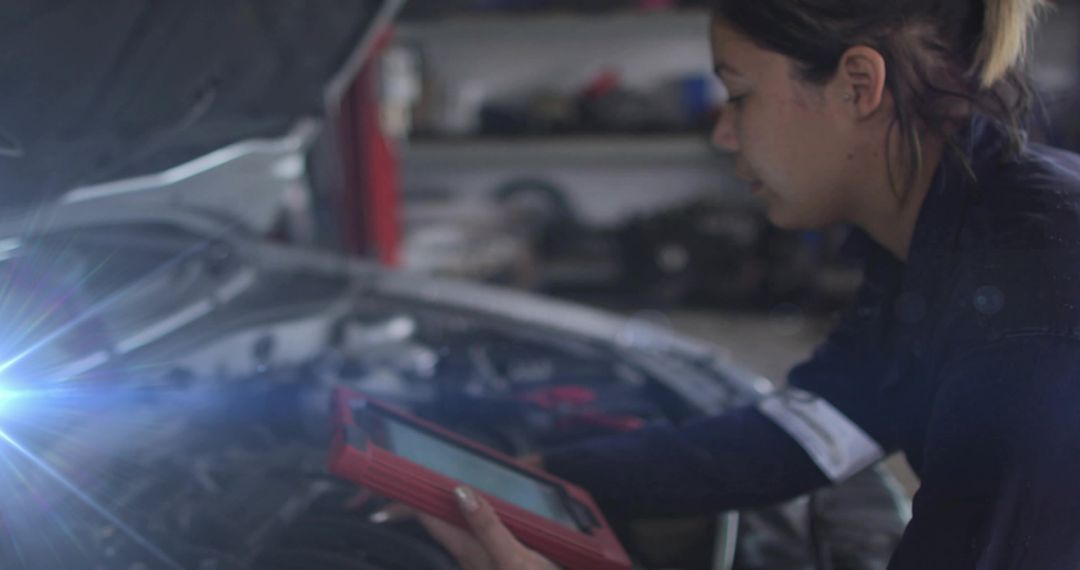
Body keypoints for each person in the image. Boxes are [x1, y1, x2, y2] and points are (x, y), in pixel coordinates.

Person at [414, 0, 1080, 567]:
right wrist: (545, 479)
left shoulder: (1038, 298)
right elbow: (815, 431)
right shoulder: (954, 233)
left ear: (857, 85)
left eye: (739, 94)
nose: (725, 133)